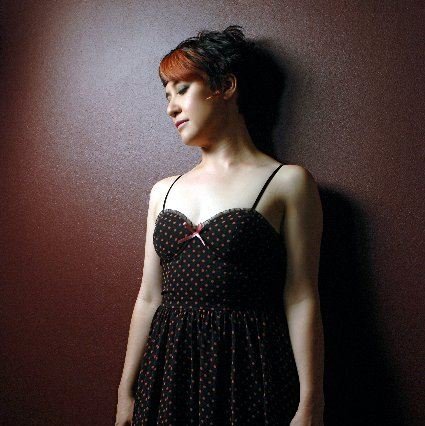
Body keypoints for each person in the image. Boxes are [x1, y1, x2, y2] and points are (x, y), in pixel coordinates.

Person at [115, 25, 325, 426]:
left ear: (225, 86)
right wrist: (126, 391)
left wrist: (311, 402)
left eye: (182, 90)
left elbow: (301, 297)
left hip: (247, 369)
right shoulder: (163, 191)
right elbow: (149, 297)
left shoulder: (287, 182)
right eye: (166, 95)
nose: (171, 108)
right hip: (168, 370)